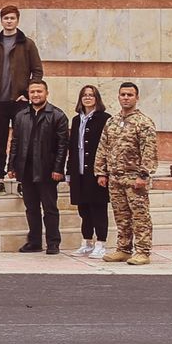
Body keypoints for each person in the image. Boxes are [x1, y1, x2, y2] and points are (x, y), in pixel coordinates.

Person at [0, 6, 43, 195]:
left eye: (12, 18)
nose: (9, 21)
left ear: (17, 20)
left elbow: (38, 71)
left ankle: (20, 180)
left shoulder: (27, 44)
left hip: (20, 102)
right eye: (5, 18)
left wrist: (27, 92)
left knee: (21, 141)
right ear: (1, 20)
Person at [96, 81, 157, 266]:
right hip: (115, 178)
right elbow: (103, 147)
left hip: (134, 178)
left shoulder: (143, 122)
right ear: (118, 96)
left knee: (140, 216)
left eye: (130, 95)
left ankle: (142, 251)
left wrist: (143, 176)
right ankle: (123, 249)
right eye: (123, 94)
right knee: (121, 216)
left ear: (137, 98)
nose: (126, 98)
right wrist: (101, 172)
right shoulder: (112, 121)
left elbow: (149, 151)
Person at [7, 79, 69, 254]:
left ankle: (53, 242)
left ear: (46, 93)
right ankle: (34, 241)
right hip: (26, 169)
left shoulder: (57, 115)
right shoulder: (21, 116)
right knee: (31, 208)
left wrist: (58, 169)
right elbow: (15, 142)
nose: (35, 95)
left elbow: (62, 146)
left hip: (47, 170)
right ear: (28, 94)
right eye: (32, 92)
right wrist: (11, 166)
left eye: (39, 91)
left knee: (49, 208)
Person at [67, 86, 112, 259]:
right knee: (83, 208)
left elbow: (107, 147)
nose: (87, 98)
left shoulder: (104, 119)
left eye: (91, 95)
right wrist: (69, 172)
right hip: (79, 171)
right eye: (84, 95)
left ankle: (101, 243)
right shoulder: (76, 119)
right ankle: (86, 242)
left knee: (98, 207)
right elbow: (73, 147)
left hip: (96, 172)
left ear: (97, 98)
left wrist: (103, 172)